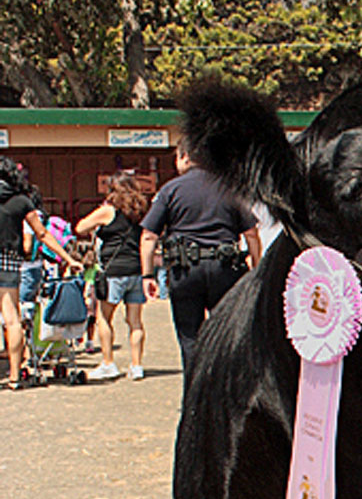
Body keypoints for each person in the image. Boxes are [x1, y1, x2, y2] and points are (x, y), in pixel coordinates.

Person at [139, 141, 261, 378]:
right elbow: (252, 234)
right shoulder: (230, 188)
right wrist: (257, 268)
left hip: (185, 271)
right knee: (227, 334)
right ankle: (226, 393)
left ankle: (195, 399)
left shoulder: (170, 190)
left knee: (190, 337)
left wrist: (147, 275)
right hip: (225, 269)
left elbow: (148, 236)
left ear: (184, 157)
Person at [0, 158, 82, 388]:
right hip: (10, 261)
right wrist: (68, 259)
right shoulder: (22, 201)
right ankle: (15, 377)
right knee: (12, 320)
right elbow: (43, 234)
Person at [75, 171, 152, 380]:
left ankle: (108, 362)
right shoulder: (141, 212)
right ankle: (136, 365)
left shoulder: (108, 211)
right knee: (135, 321)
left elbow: (80, 227)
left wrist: (99, 215)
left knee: (104, 317)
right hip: (136, 269)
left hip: (113, 271)